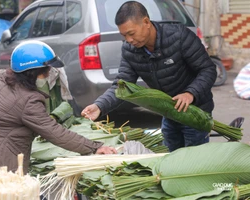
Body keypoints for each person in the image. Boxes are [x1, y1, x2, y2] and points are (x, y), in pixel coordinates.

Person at [0, 40, 117, 200]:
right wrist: (94, 147)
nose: (49, 74)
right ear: (33, 72)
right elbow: (55, 132)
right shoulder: (29, 101)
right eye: (46, 70)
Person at [82, 1, 216, 152]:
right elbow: (121, 86)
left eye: (131, 33)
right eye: (124, 35)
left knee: (194, 162)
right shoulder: (130, 50)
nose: (129, 40)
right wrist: (99, 106)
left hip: (196, 114)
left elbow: (208, 69)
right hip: (170, 113)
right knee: (170, 158)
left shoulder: (179, 36)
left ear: (146, 22)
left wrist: (190, 93)